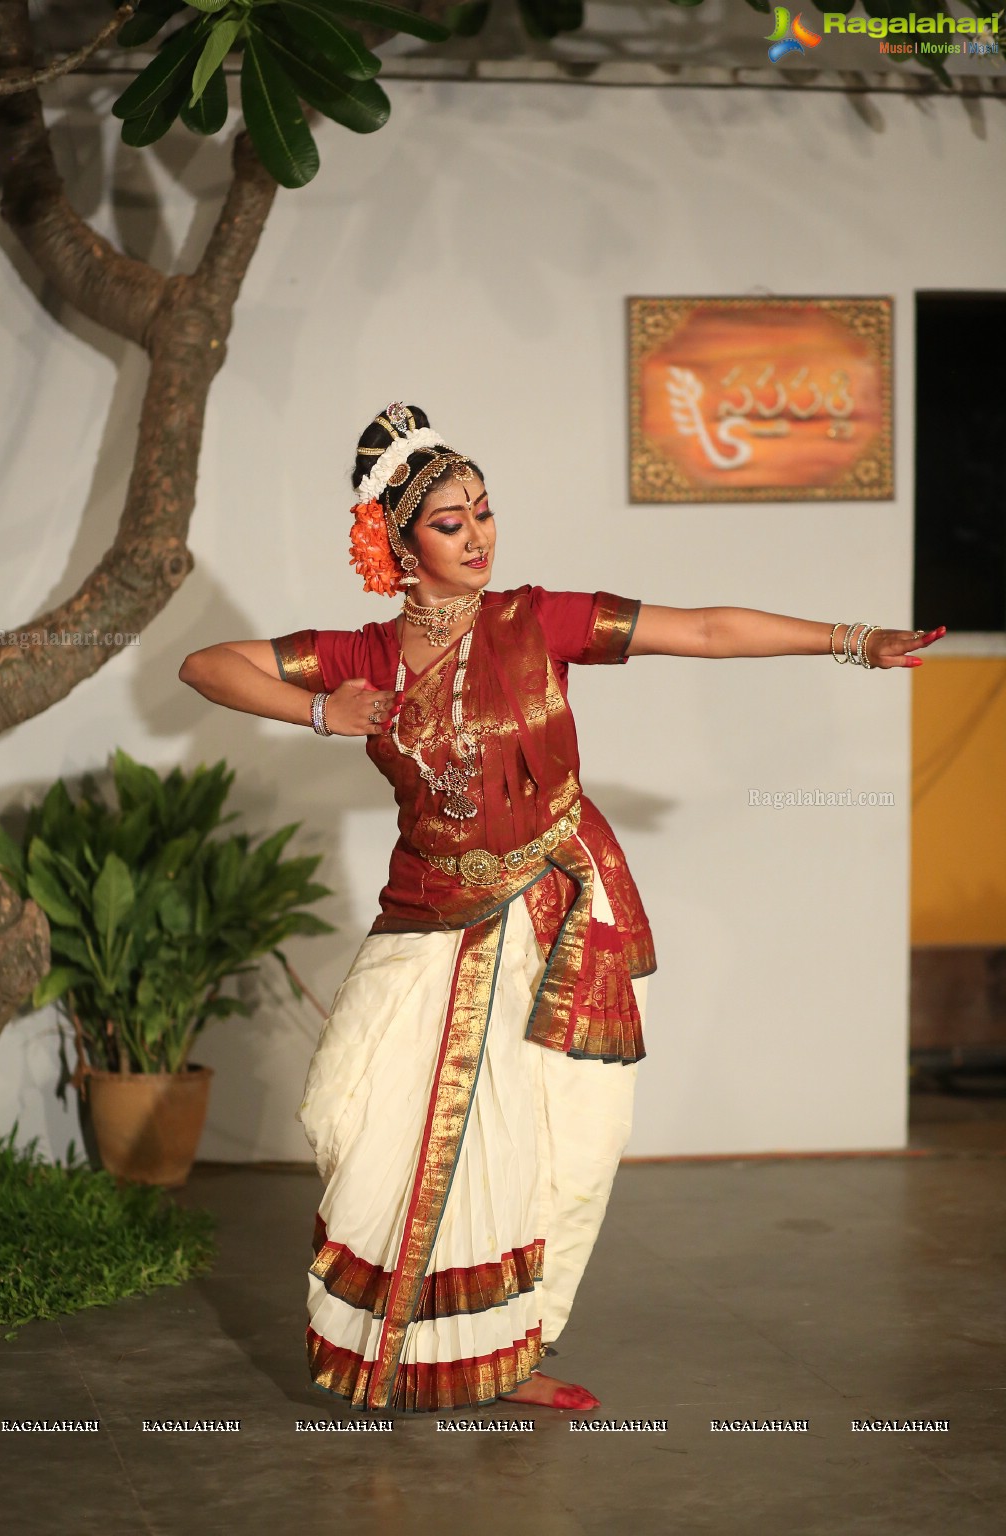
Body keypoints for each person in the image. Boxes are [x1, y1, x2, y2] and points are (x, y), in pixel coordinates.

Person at [179, 402, 945, 1416]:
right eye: (451, 523)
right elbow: (206, 666)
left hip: (550, 911)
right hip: (425, 915)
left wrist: (853, 640)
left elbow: (704, 631)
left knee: (559, 1139)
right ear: (398, 545)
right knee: (345, 1113)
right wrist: (322, 711)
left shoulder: (535, 621)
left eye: (486, 512)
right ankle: (394, 1347)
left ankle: (513, 1351)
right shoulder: (358, 656)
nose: (480, 535)